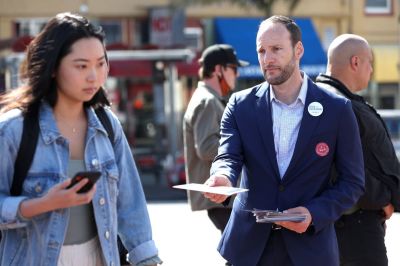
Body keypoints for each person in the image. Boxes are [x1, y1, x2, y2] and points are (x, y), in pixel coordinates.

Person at [0, 13, 161, 266]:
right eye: (81, 66)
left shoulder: (107, 125)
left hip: (99, 258)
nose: (94, 76)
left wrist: (147, 259)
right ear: (53, 67)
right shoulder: (13, 130)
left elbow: (131, 204)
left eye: (100, 64)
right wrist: (42, 204)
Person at [203, 15, 365, 266]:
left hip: (310, 249)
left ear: (298, 49)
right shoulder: (240, 105)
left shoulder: (337, 109)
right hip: (249, 248)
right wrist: (222, 177)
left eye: (276, 49)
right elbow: (228, 155)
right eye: (261, 51)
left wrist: (313, 213)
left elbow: (352, 183)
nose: (267, 59)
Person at [315, 34, 400, 266]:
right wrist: (382, 199)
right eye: (369, 62)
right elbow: (338, 165)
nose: (371, 69)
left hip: (350, 221)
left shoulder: (330, 97)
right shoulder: (335, 103)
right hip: (354, 224)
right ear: (355, 62)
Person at [182, 44, 248, 251]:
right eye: (233, 69)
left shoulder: (209, 98)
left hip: (220, 196)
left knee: (240, 253)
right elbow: (205, 147)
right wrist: (243, 147)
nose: (236, 75)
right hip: (220, 196)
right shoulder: (208, 101)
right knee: (241, 253)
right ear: (219, 69)